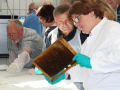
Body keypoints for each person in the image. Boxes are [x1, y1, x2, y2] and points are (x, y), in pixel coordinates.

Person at [44, 0, 120, 90]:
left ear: (91, 13)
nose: (76, 24)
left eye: (77, 19)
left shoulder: (112, 28)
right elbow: (85, 71)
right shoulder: (90, 39)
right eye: (74, 21)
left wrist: (91, 62)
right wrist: (65, 75)